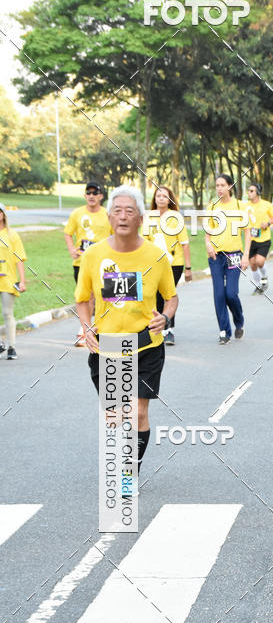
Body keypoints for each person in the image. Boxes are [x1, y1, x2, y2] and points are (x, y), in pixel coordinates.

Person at [75, 186, 178, 483]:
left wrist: (166, 317)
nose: (122, 216)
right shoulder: (94, 255)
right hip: (107, 347)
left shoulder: (156, 256)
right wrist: (86, 326)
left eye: (129, 211)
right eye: (117, 211)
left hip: (146, 344)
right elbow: (82, 299)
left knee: (137, 413)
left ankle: (129, 471)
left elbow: (171, 297)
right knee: (115, 416)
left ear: (140, 219)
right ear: (108, 217)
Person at [144, 185, 192, 346]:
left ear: (169, 199)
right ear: (154, 199)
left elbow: (184, 244)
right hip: (154, 264)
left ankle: (169, 330)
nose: (161, 198)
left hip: (174, 264)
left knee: (169, 295)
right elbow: (144, 243)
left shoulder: (176, 217)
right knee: (156, 295)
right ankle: (159, 327)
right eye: (158, 196)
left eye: (165, 196)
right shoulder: (149, 217)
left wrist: (188, 268)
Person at [64, 182, 111, 346]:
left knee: (104, 296)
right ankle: (85, 329)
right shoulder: (77, 213)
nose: (91, 196)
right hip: (81, 261)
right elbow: (68, 233)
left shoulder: (107, 214)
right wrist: (71, 250)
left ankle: (103, 327)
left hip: (103, 263)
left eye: (95, 193)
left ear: (101, 196)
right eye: (88, 193)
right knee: (86, 295)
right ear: (85, 196)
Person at [205, 174, 250, 344]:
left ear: (230, 187)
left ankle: (239, 321)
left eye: (222, 185)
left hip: (234, 255)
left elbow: (247, 232)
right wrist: (208, 244)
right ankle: (224, 330)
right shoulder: (211, 207)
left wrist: (245, 255)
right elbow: (207, 234)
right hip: (216, 256)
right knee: (219, 294)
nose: (219, 188)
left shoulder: (240, 206)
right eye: (217, 185)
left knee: (231, 293)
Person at [0, 204, 27, 359]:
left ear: (4, 214)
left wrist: (22, 280)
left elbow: (19, 259)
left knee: (7, 313)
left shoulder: (12, 235)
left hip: (8, 279)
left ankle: (11, 347)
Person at [245, 183, 273, 293]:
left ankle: (264, 277)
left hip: (264, 239)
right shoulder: (246, 206)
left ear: (258, 192)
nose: (249, 192)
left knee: (259, 261)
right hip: (251, 239)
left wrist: (267, 223)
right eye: (248, 190)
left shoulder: (266, 205)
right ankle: (259, 285)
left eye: (251, 191)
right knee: (252, 263)